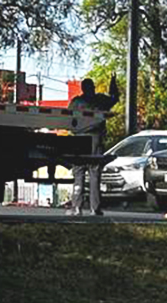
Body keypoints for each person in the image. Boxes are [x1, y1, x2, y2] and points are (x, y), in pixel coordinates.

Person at [68, 76, 119, 216]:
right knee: (95, 174)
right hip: (96, 139)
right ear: (93, 87)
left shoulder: (76, 102)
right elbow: (114, 98)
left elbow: (68, 121)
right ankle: (95, 208)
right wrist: (113, 85)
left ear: (82, 88)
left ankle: (76, 207)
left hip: (79, 140)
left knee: (78, 173)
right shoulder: (100, 100)